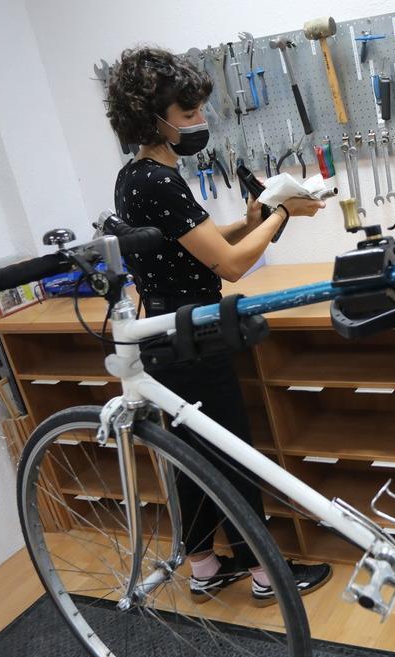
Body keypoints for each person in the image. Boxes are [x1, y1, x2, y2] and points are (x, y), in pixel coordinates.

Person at [105, 46, 331, 605]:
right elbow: (227, 266)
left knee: (192, 451)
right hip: (190, 332)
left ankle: (204, 565)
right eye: (188, 115)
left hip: (167, 325)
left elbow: (196, 245)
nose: (200, 123)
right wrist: (282, 215)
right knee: (229, 448)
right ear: (152, 118)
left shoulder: (137, 175)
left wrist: (252, 220)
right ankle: (263, 575)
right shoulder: (158, 181)